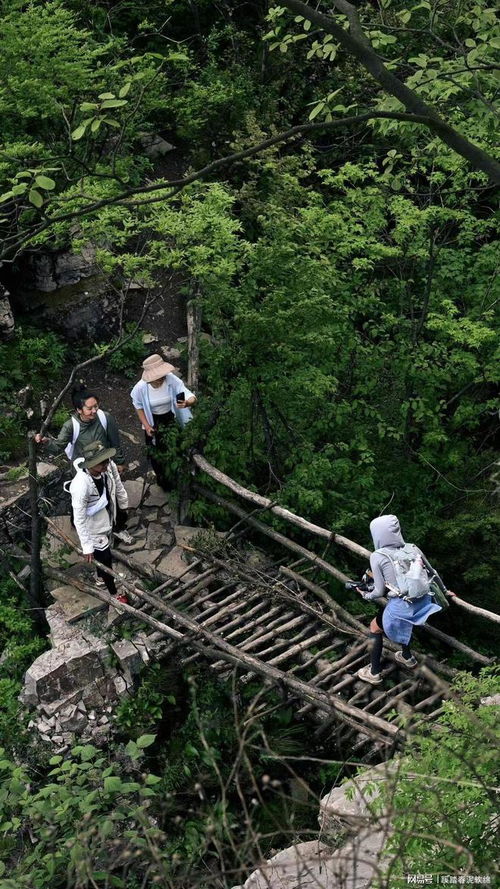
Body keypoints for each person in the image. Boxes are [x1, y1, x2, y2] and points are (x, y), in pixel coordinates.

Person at [356, 514, 446, 685]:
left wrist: (365, 595)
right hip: (424, 602)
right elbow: (432, 572)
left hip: (402, 606)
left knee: (375, 628)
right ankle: (407, 657)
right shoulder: (412, 548)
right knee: (406, 621)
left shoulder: (378, 555)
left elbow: (379, 591)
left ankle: (374, 672)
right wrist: (446, 591)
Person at [69, 441, 130, 603]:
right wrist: (87, 546)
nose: (107, 464)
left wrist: (123, 503)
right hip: (93, 526)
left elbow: (116, 484)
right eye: (102, 462)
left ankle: (100, 577)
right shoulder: (80, 486)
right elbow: (79, 518)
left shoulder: (106, 468)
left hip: (105, 517)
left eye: (107, 460)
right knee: (105, 558)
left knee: (104, 551)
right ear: (91, 464)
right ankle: (113, 593)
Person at [130, 353, 196, 489]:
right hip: (153, 420)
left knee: (176, 446)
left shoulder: (171, 380)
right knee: (156, 452)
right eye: (157, 377)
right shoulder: (140, 388)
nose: (161, 379)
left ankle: (179, 476)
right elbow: (138, 406)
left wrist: (187, 403)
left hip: (170, 417)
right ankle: (163, 480)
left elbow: (185, 392)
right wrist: (147, 426)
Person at [35, 383, 126, 475]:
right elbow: (58, 447)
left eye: (96, 406)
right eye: (89, 408)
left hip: (104, 465)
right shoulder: (70, 426)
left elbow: (115, 443)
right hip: (83, 470)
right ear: (79, 410)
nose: (94, 411)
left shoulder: (105, 418)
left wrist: (120, 462)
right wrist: (46, 441)